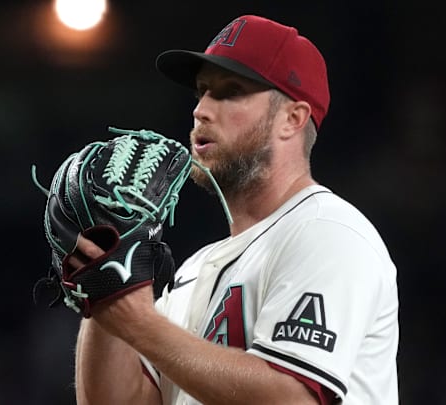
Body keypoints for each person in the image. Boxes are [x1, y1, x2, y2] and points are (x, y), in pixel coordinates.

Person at [69, 14, 399, 405]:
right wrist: (105, 293)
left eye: (230, 92)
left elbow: (291, 398)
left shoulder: (328, 232)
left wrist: (139, 323)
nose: (201, 110)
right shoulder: (193, 270)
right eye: (202, 91)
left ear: (292, 119)